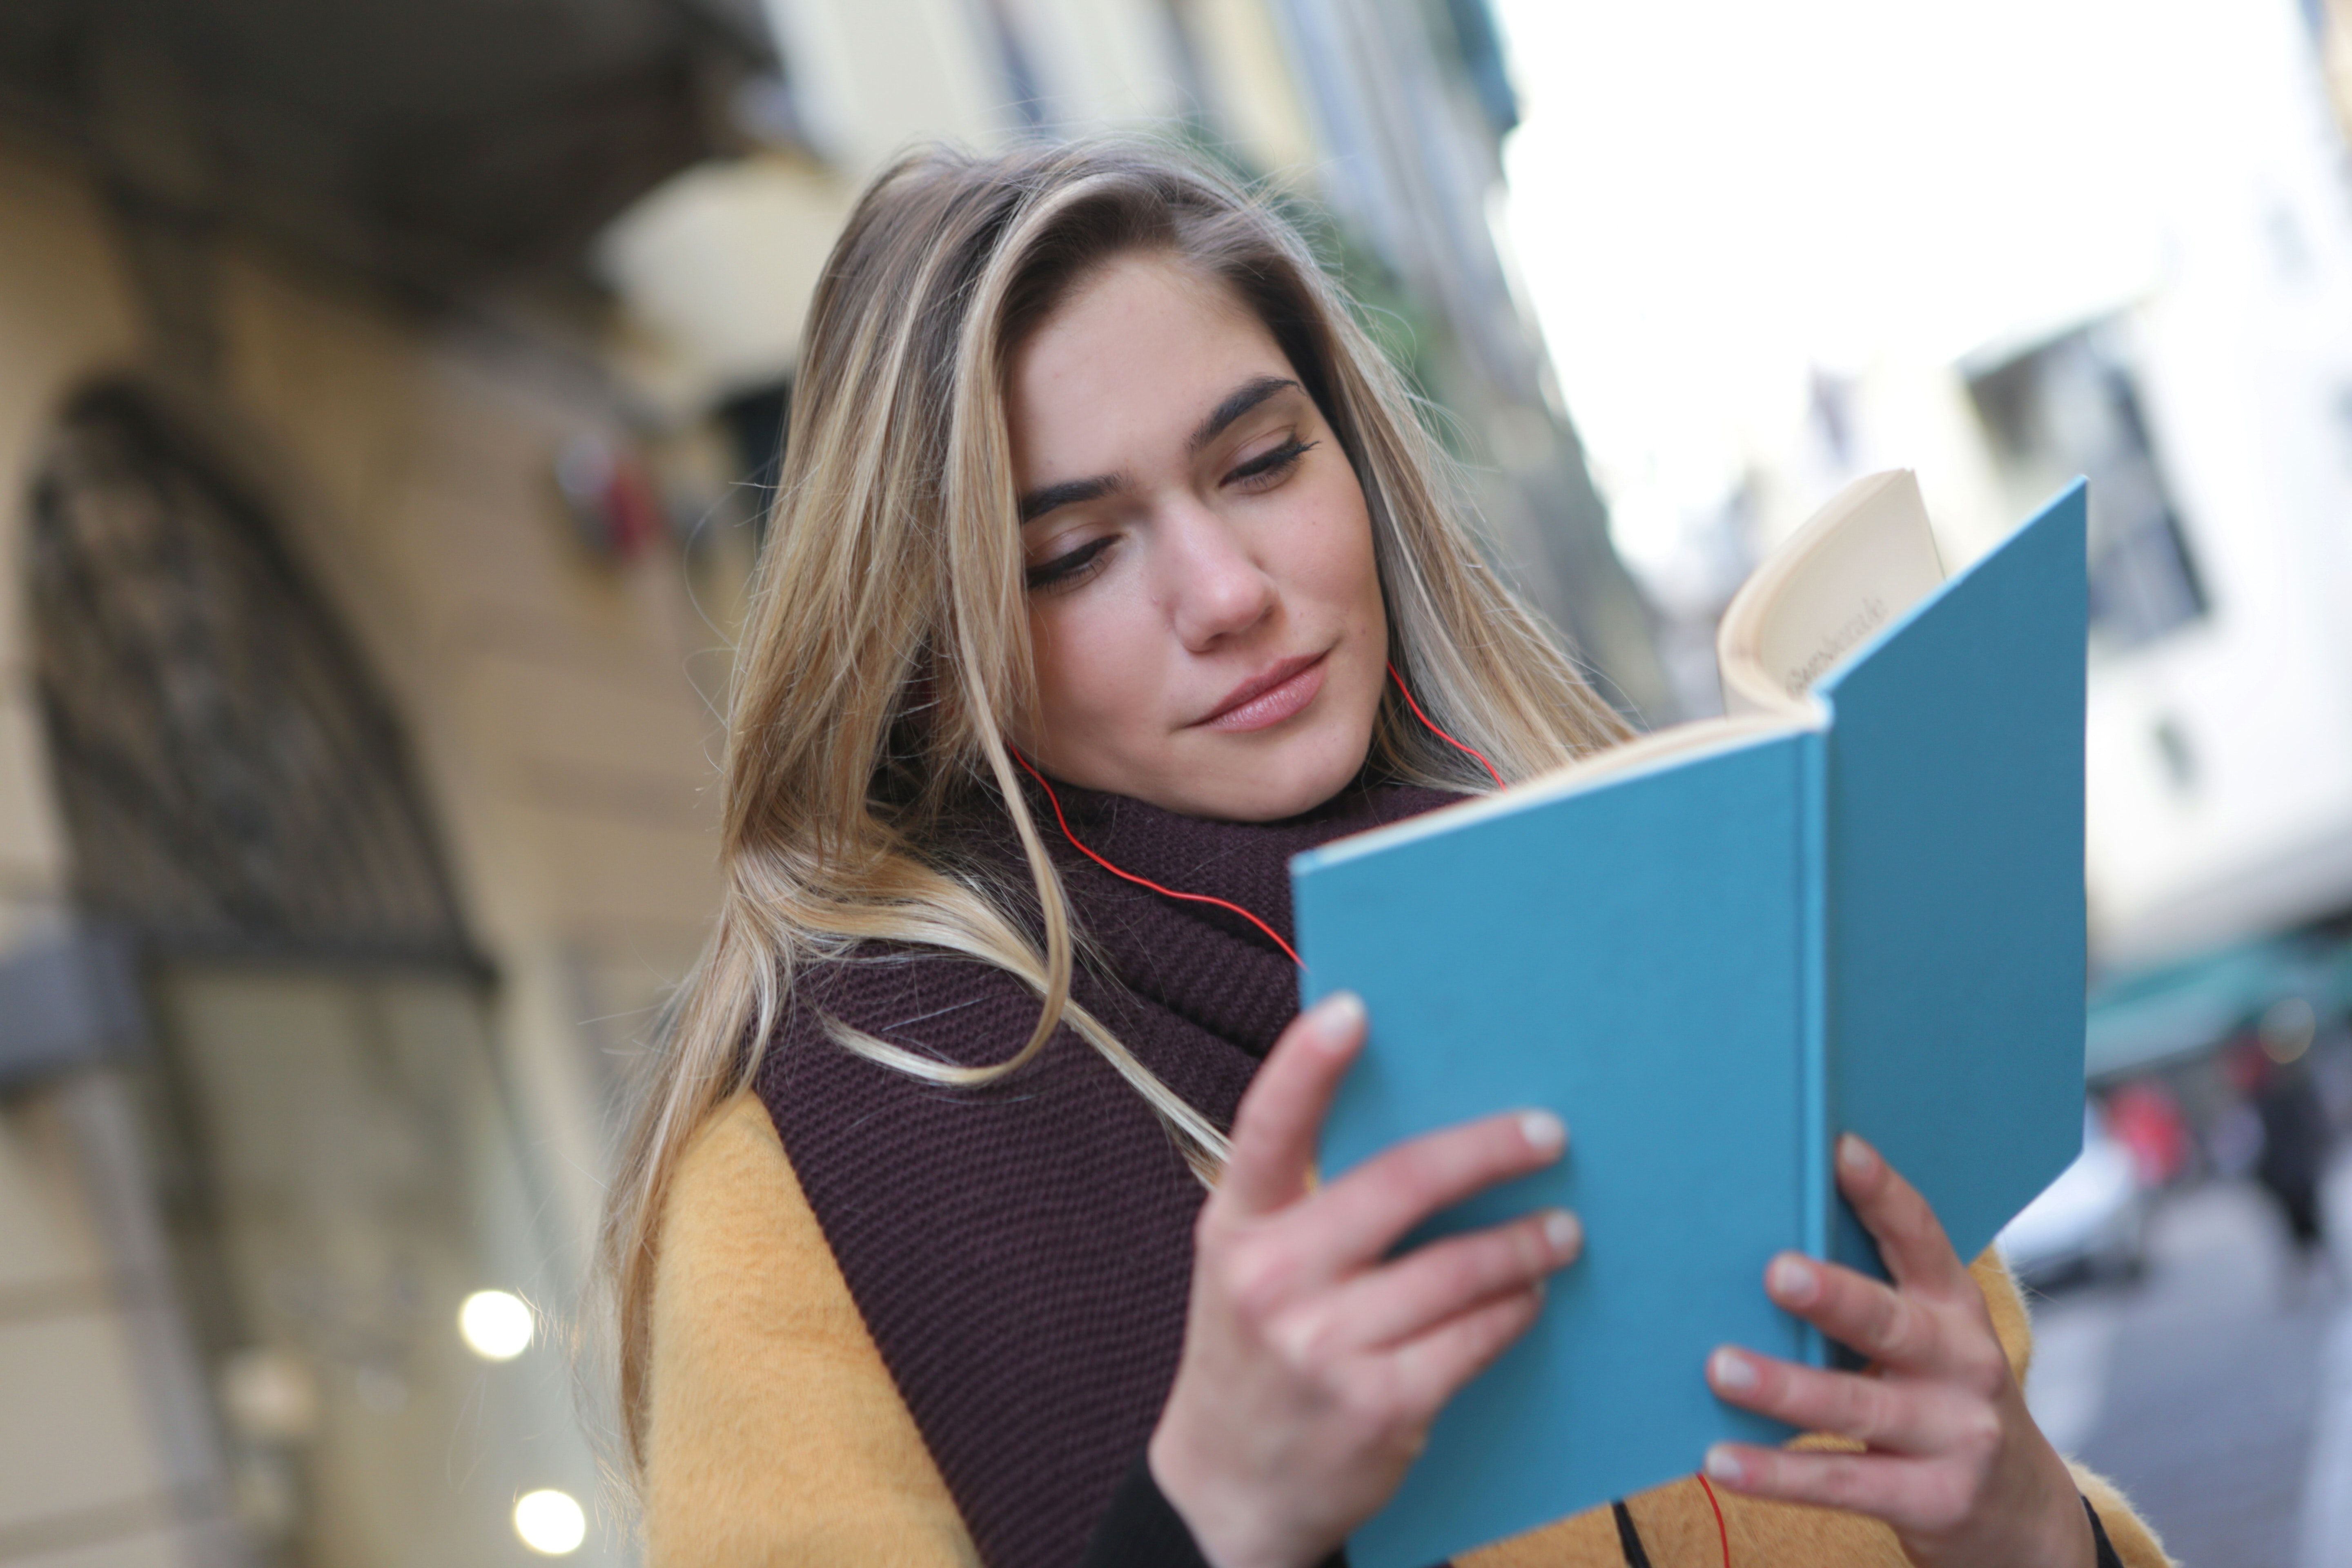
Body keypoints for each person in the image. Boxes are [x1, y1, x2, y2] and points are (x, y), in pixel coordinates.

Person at [597, 140, 2169, 1568]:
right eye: (1076, 554)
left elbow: (2009, 1488)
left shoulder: (1670, 908)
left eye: (1263, 462)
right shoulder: (808, 1176)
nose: (1227, 590)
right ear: (939, 659)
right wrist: (1213, 1516)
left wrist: (2030, 1526)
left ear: (1360, 468)